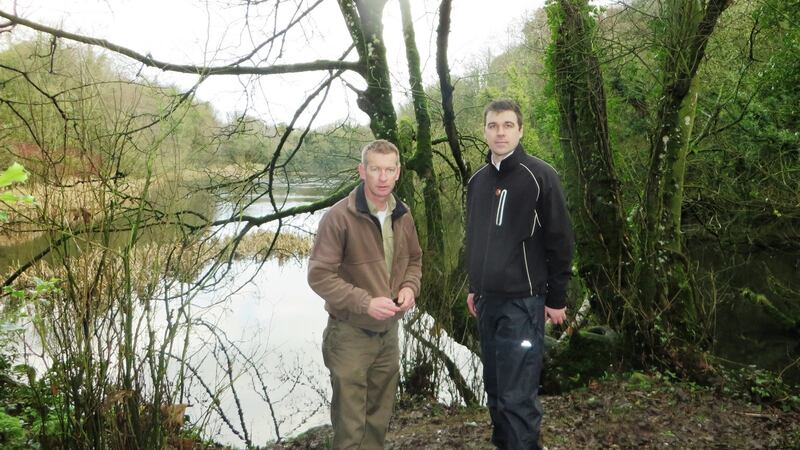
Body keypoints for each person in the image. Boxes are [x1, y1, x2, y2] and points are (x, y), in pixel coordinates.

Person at [465, 99, 574, 450]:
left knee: (517, 395)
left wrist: (557, 299)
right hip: (487, 302)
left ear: (520, 130)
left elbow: (561, 240)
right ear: (484, 131)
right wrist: (473, 287)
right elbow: (476, 240)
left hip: (524, 303)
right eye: (493, 125)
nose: (500, 132)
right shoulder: (478, 182)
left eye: (508, 125)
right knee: (495, 388)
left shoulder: (540, 176)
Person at [308, 139, 422, 449]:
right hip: (349, 334)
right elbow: (319, 275)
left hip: (389, 335)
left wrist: (410, 288)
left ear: (398, 173)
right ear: (363, 171)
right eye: (375, 169)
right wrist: (365, 302)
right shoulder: (339, 217)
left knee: (377, 424)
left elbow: (414, 261)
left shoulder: (403, 215)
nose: (382, 177)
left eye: (389, 170)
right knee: (350, 429)